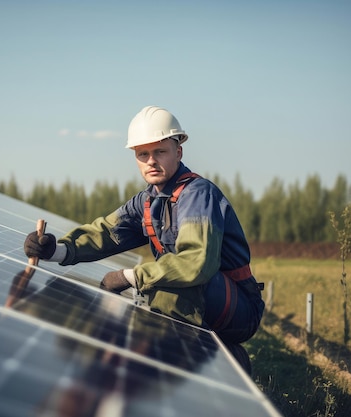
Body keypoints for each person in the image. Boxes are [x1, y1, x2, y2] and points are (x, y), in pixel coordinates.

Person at [24, 105, 264, 374]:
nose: (151, 161)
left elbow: (196, 264)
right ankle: (220, 361)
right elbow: (106, 233)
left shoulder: (197, 195)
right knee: (157, 289)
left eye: (160, 151)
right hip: (208, 301)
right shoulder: (147, 202)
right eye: (143, 154)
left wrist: (130, 276)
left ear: (178, 152)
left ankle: (178, 366)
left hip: (239, 308)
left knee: (168, 284)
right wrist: (56, 249)